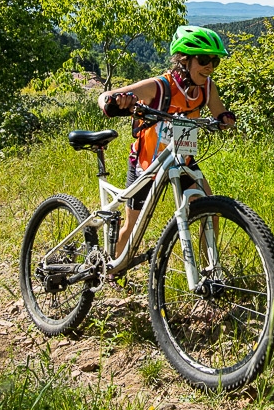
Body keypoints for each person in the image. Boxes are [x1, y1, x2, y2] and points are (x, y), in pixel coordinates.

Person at [96, 25, 236, 257]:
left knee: (210, 211)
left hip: (181, 159)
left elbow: (220, 113)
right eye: (203, 60)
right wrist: (116, 102)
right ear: (183, 60)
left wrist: (225, 120)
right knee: (133, 227)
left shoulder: (207, 88)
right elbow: (104, 97)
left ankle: (209, 271)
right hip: (147, 164)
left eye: (215, 61)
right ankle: (112, 270)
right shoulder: (160, 86)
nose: (210, 67)